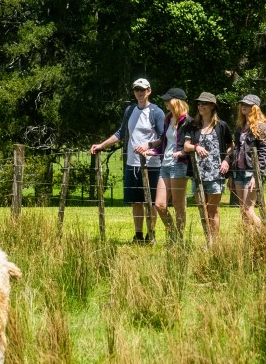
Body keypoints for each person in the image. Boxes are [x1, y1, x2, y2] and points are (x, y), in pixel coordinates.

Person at [91, 78, 166, 244]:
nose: (140, 92)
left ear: (149, 91)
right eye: (137, 90)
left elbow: (163, 138)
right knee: (136, 201)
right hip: (132, 164)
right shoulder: (130, 110)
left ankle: (151, 234)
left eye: (143, 89)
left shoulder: (156, 112)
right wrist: (101, 145)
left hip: (152, 164)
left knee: (151, 202)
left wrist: (148, 146)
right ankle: (138, 235)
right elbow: (121, 133)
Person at [185, 92, 231, 244]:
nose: (200, 106)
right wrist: (196, 147)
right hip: (198, 175)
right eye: (199, 103)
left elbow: (232, 146)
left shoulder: (221, 126)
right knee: (202, 211)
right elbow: (186, 146)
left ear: (212, 106)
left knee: (213, 210)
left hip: (216, 174)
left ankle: (215, 243)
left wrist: (226, 160)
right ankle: (208, 242)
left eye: (204, 103)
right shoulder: (193, 126)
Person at [227, 94, 266, 232]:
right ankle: (252, 242)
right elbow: (235, 151)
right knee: (243, 211)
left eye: (247, 105)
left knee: (248, 210)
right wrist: (231, 175)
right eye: (242, 104)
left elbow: (265, 154)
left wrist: (256, 174)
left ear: (255, 108)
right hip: (239, 172)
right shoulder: (240, 127)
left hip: (251, 173)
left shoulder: (261, 128)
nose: (243, 106)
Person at [154, 87, 191, 242]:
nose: (166, 103)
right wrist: (153, 150)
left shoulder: (188, 122)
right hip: (165, 164)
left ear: (176, 102)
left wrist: (182, 152)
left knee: (178, 204)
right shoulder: (168, 119)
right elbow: (165, 141)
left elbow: (191, 143)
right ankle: (173, 233)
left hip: (179, 165)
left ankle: (179, 239)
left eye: (168, 100)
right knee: (160, 204)